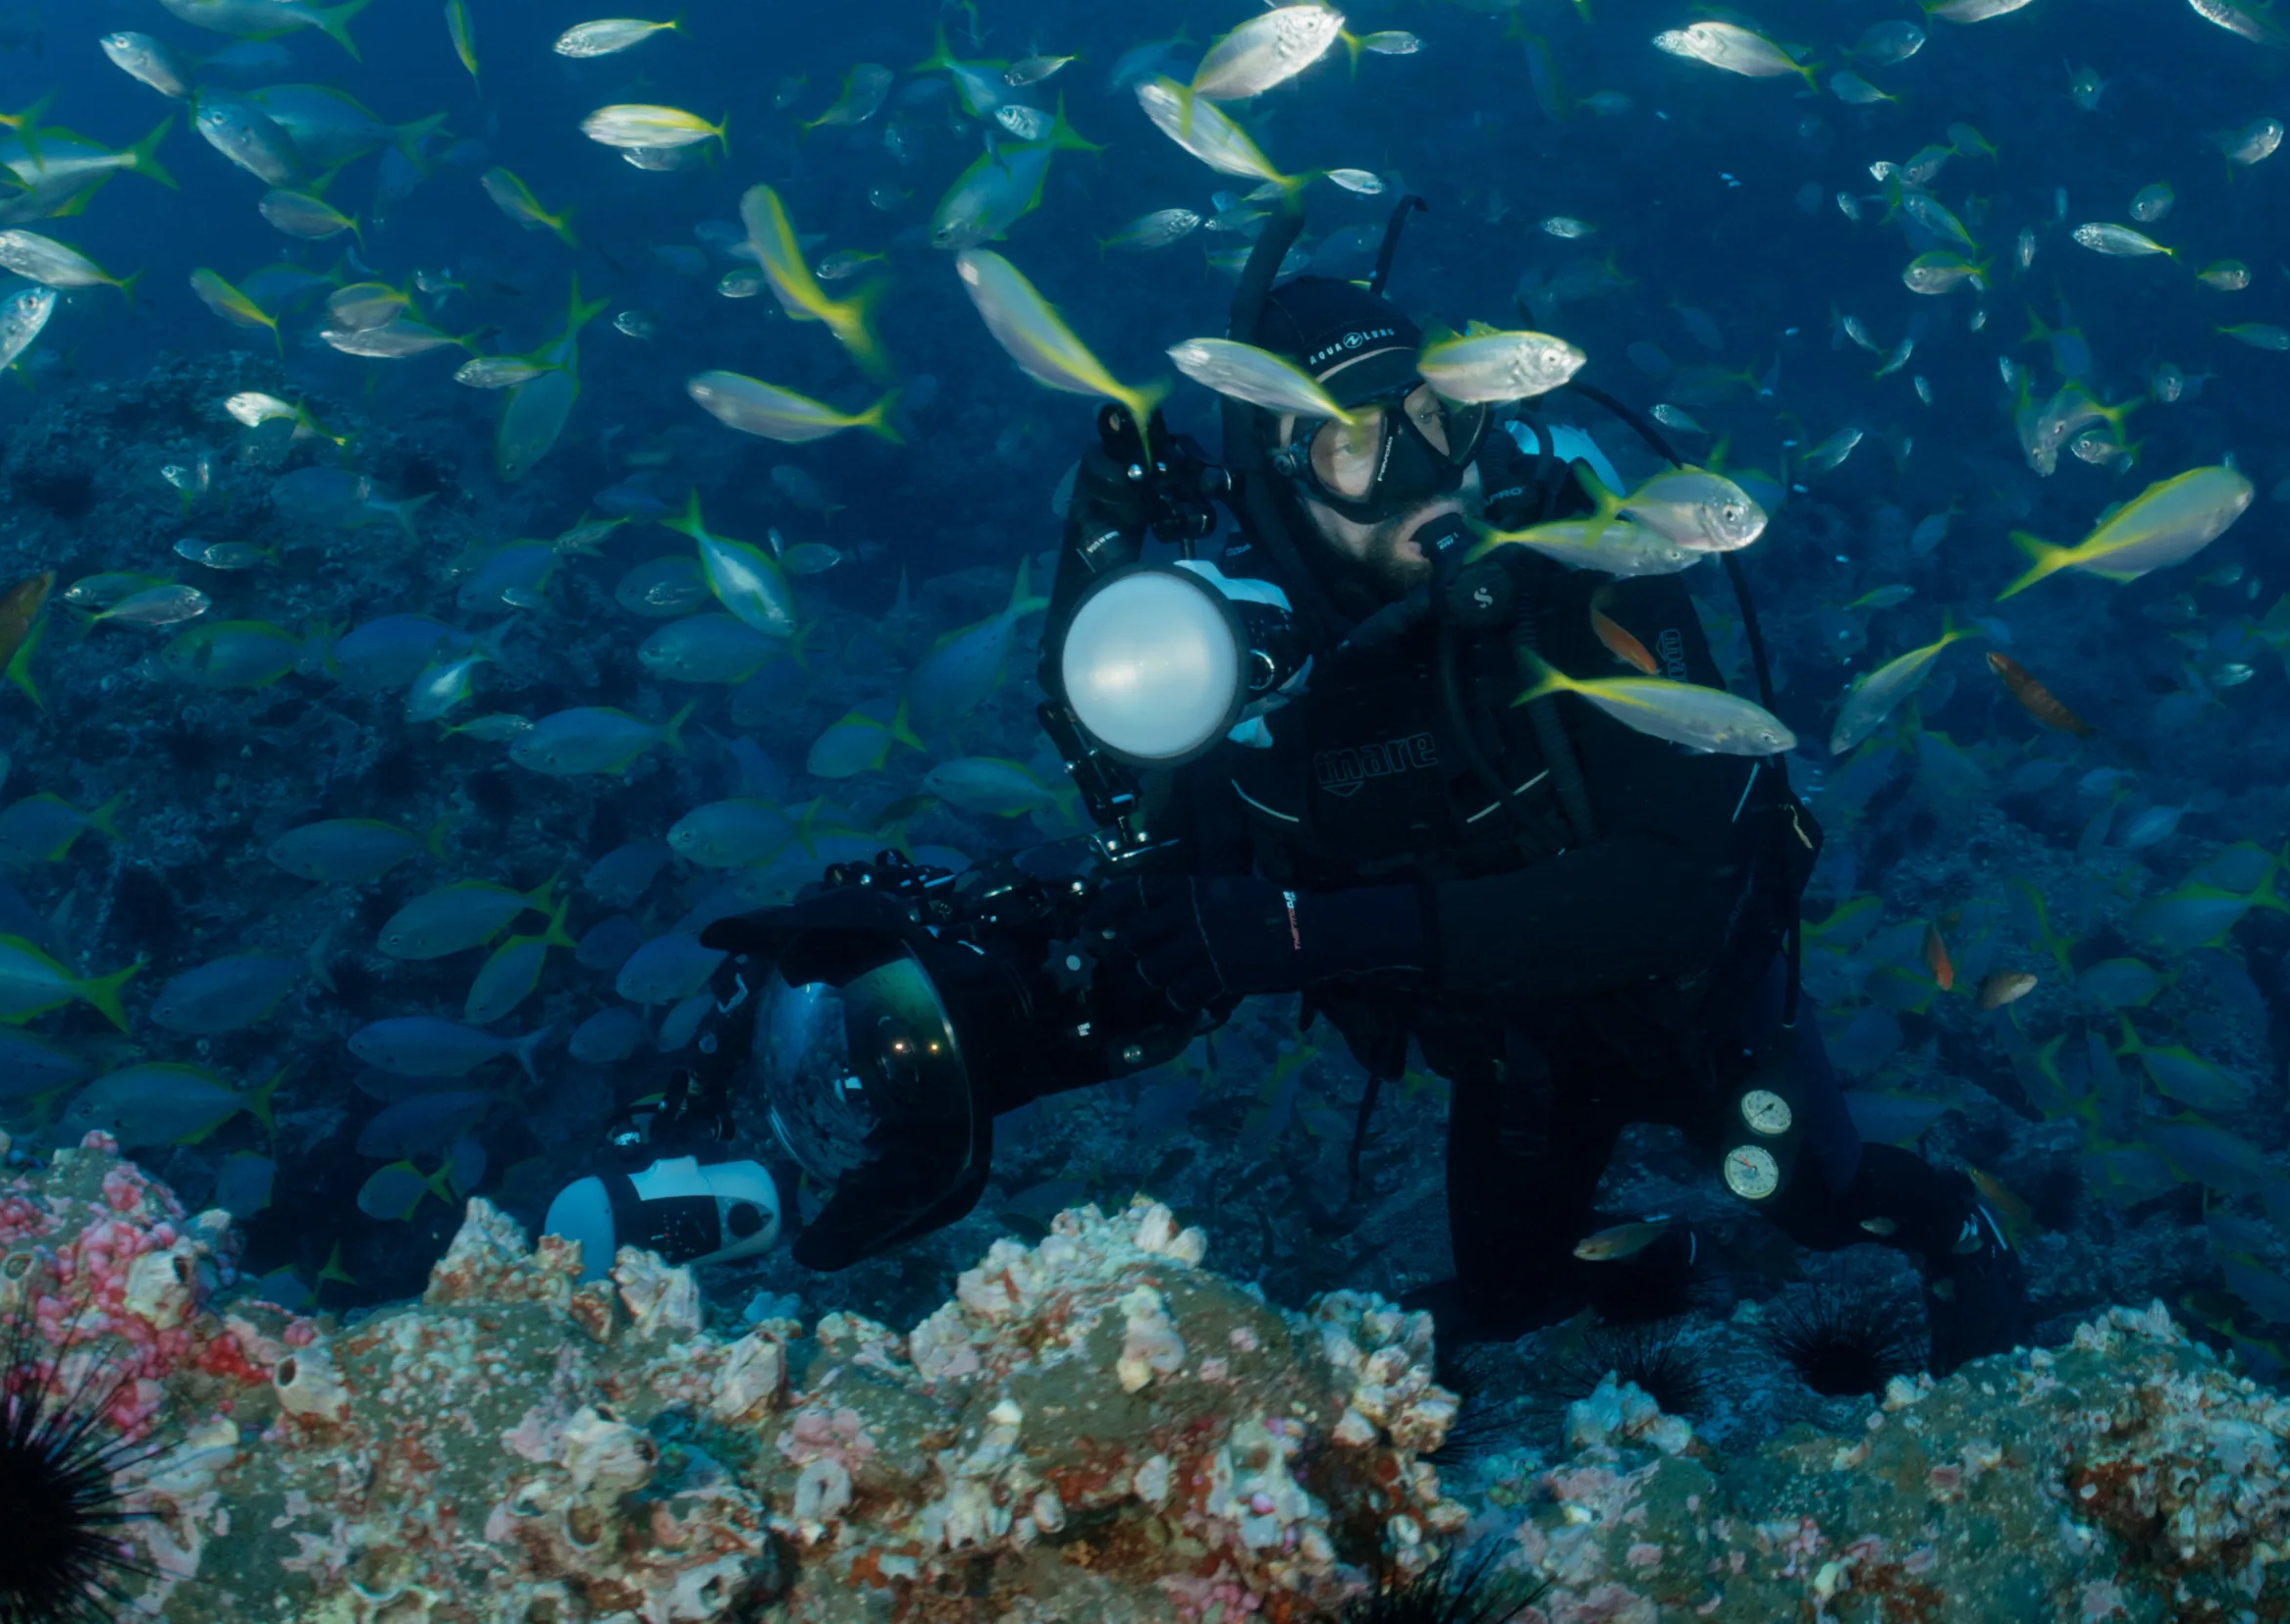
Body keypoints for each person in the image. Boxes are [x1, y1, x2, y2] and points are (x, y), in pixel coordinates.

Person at [565, 247, 2027, 1371]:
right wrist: (966, 1011)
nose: (1415, 478)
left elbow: (1667, 897)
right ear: (1275, 471)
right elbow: (1175, 909)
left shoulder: (1590, 579)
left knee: (1819, 1195)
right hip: (1513, 1060)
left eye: (1431, 422)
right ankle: (1663, 1273)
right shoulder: (1246, 665)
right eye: (1350, 444)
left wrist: (1311, 936)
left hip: (1701, 1016)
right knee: (1516, 1293)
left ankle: (1950, 1220)